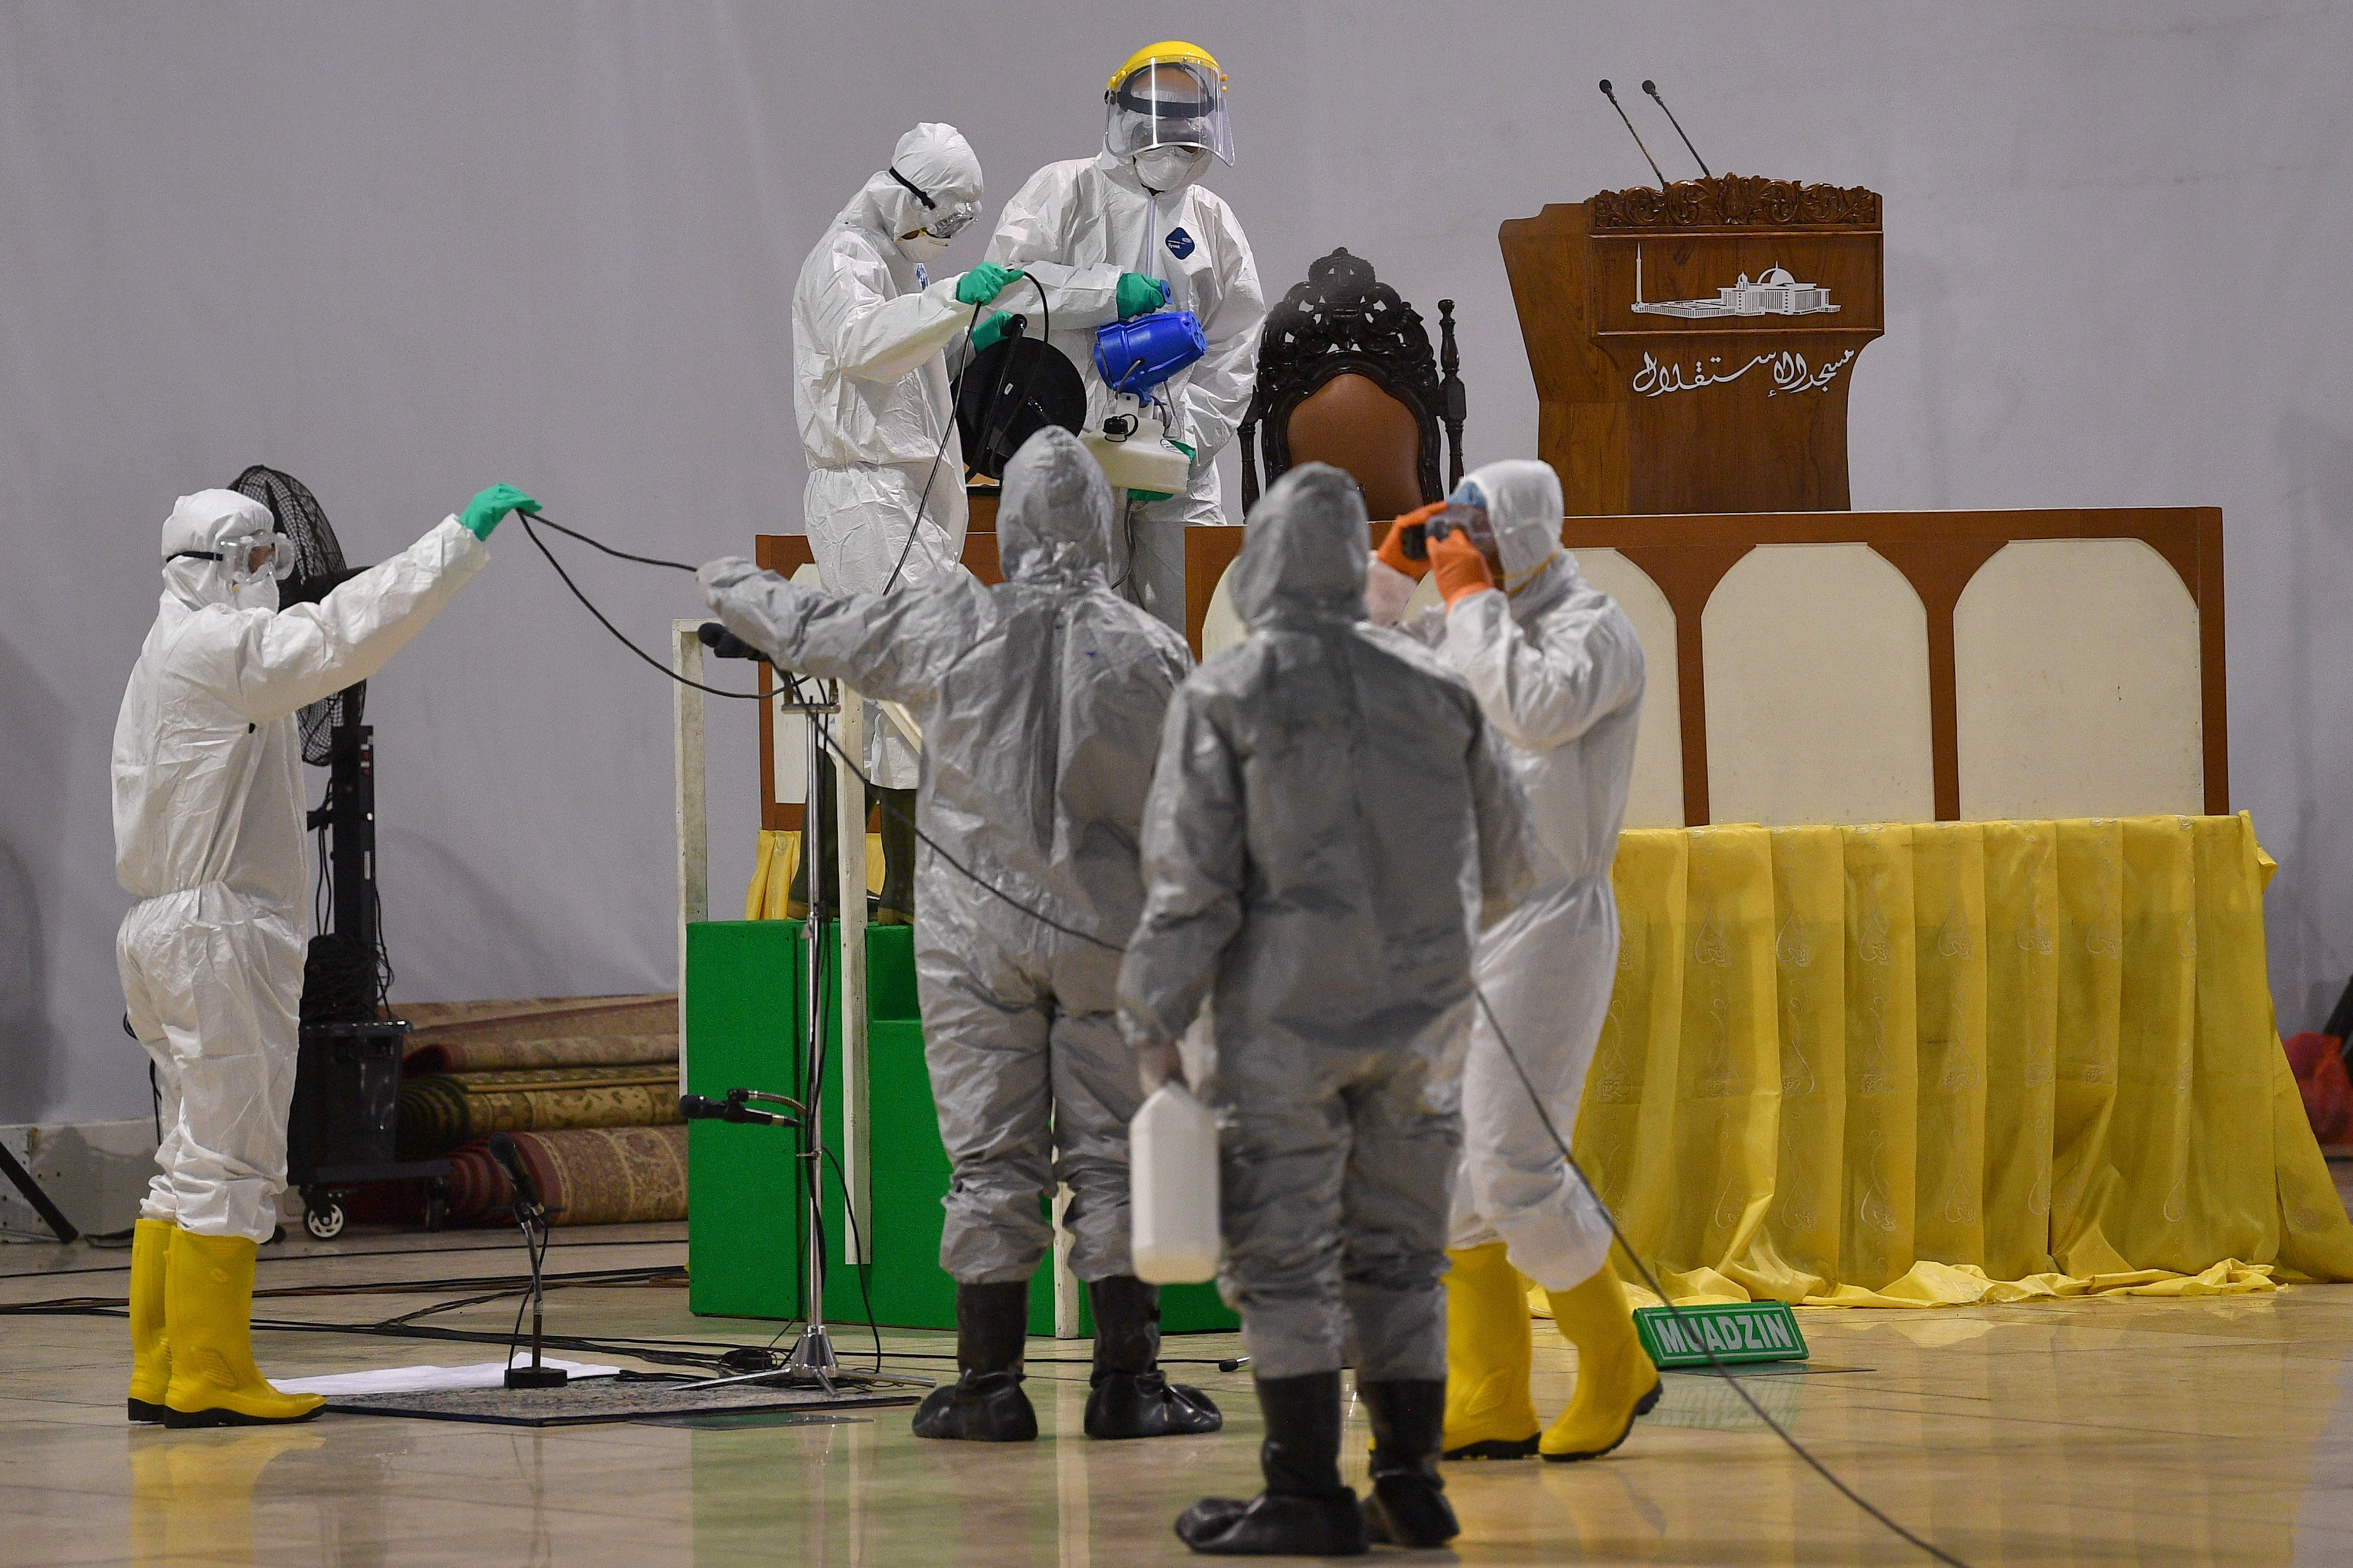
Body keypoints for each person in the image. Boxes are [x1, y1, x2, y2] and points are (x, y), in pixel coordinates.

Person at [699, 428, 1219, 1444]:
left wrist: (728, 581)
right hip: (1112, 939)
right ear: (1106, 528)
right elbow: (1204, 808)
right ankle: (1129, 1383)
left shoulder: (954, 622)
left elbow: (819, 624)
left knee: (989, 1157)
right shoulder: (1156, 649)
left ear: (1010, 525)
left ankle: (989, 1386)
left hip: (975, 940)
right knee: (1114, 1156)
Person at [1117, 463, 1545, 1555]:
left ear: (1261, 558)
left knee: (1287, 1255)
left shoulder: (1228, 693)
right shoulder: (1437, 686)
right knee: (1403, 1252)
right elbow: (1512, 864)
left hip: (1281, 1029)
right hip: (1424, 1026)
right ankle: (1410, 1483)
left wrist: (1152, 1019)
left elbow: (1192, 884)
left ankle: (1304, 1489)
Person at [116, 482, 531, 1426]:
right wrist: (453, 544)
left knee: (185, 1156)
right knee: (233, 1157)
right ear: (218, 564)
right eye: (259, 560)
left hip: (160, 931)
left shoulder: (165, 648)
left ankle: (165, 1368)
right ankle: (212, 1376)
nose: (277, 577)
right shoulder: (221, 648)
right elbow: (344, 633)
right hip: (218, 934)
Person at [1366, 461, 1655, 1463]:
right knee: (1450, 1174)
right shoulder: (1465, 611)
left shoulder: (1596, 630)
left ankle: (1616, 1361)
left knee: (1514, 1162)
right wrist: (1391, 578)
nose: (1463, 546)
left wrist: (1466, 597)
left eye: (1479, 529)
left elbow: (1532, 708)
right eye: (1455, 529)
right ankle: (1491, 1392)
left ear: (1526, 533)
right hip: (1467, 919)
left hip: (1553, 923)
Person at [795, 121, 1059, 922]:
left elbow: (904, 380)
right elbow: (861, 348)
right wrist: (951, 299)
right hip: (864, 497)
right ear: (907, 191)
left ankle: (876, 883)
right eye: (943, 218)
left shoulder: (893, 264)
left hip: (901, 497)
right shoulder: (844, 258)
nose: (945, 238)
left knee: (898, 694)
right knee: (898, 697)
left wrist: (963, 337)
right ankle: (863, 887)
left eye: (958, 227)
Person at [981, 41, 1265, 635]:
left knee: (1198, 624)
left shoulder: (1211, 219)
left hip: (1179, 462)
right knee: (1083, 633)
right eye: (1168, 118)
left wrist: (1196, 439)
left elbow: (1235, 344)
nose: (1182, 137)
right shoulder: (1064, 191)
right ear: (1130, 116)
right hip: (1074, 449)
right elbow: (1009, 293)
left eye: (1193, 123)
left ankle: (1194, 733)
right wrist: (1107, 292)